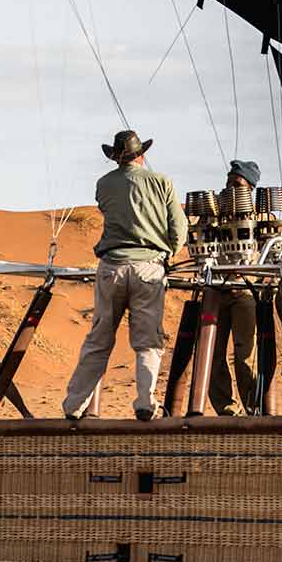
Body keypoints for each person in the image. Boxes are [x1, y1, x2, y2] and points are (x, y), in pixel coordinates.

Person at [63, 128, 187, 421]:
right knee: (148, 341)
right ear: (142, 153)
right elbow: (178, 229)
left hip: (111, 267)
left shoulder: (103, 184)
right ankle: (145, 402)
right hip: (148, 268)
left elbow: (109, 208)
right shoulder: (162, 182)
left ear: (115, 157)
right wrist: (168, 253)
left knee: (99, 340)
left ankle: (74, 405)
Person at [208, 160, 261, 416]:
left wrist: (260, 279)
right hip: (217, 290)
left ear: (249, 188)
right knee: (212, 352)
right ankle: (226, 409)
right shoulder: (215, 214)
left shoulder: (262, 216)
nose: (229, 188)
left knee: (245, 354)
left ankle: (253, 409)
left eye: (236, 184)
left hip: (244, 291)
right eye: (228, 182)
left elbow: (274, 252)